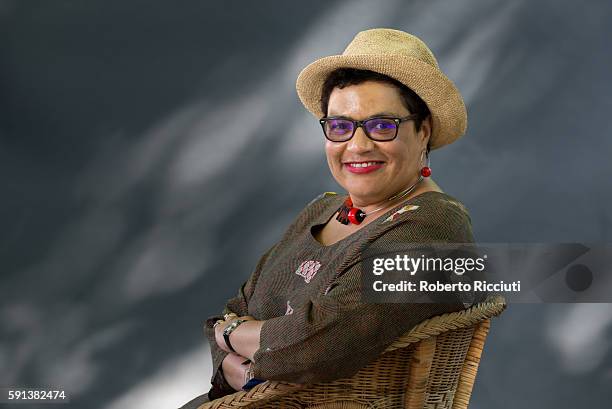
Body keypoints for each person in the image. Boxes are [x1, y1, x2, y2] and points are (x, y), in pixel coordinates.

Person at [179, 28, 475, 408]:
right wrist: (238, 339)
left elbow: (318, 344)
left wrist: (236, 343)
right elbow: (235, 309)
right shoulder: (321, 210)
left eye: (383, 125)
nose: (357, 145)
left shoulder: (434, 228)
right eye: (339, 126)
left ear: (423, 131)